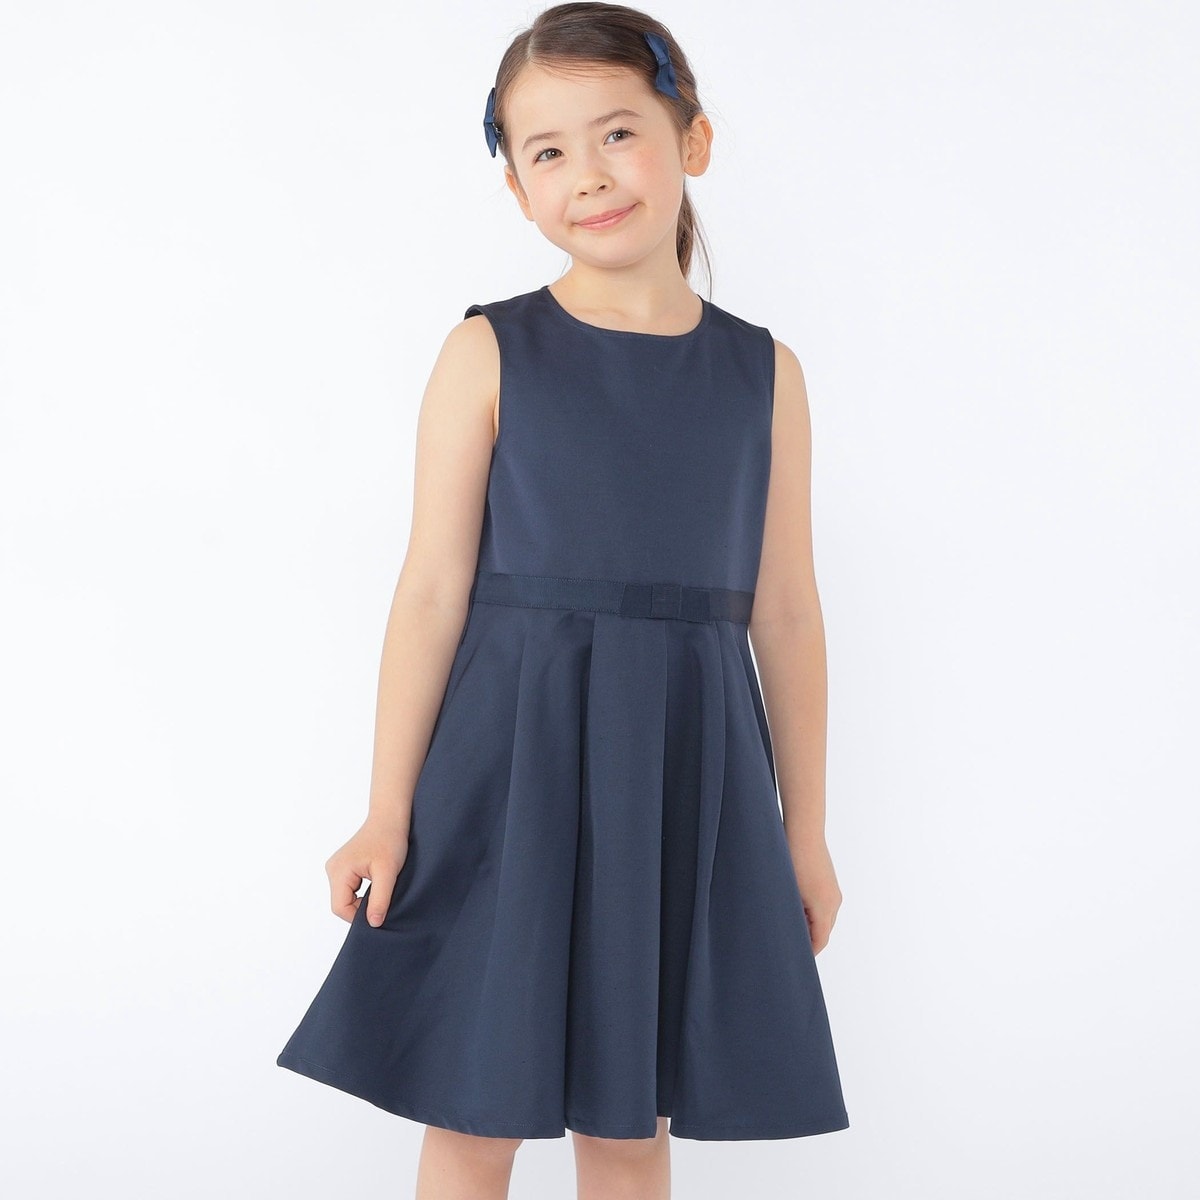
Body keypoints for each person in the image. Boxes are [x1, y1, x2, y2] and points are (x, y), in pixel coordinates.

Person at [276, 3, 850, 1196]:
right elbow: (431, 590)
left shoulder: (765, 374)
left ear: (692, 141)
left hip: (678, 772)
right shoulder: (488, 352)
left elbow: (787, 611)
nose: (588, 174)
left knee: (631, 1122)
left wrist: (803, 833)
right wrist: (387, 812)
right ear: (516, 187)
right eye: (548, 151)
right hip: (508, 770)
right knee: (476, 1107)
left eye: (618, 133)